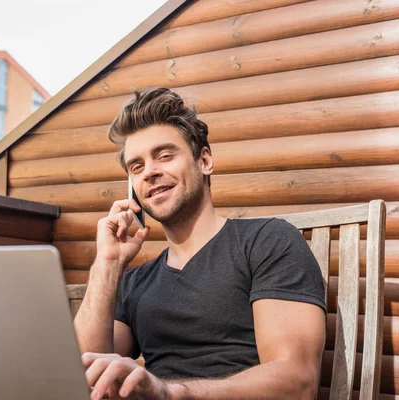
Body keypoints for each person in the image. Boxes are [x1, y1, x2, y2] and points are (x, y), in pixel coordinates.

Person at [73, 88, 326, 400]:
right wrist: (108, 263)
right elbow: (81, 377)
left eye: (164, 155)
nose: (150, 171)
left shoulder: (267, 241)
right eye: (136, 167)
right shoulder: (134, 281)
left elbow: (298, 383)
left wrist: (170, 393)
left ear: (204, 160)